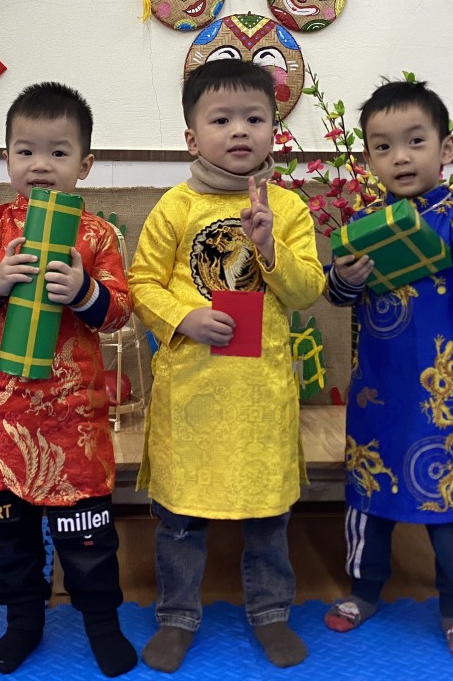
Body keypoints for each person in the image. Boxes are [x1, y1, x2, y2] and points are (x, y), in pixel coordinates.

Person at [128, 58, 325, 673]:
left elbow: (307, 291)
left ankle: (271, 612)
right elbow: (141, 283)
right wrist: (184, 316)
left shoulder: (289, 208)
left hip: (260, 394)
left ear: (273, 130)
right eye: (222, 120)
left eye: (254, 119)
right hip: (191, 392)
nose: (239, 130)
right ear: (192, 137)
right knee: (179, 519)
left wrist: (268, 246)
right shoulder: (175, 207)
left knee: (267, 515)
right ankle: (176, 616)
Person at [0, 82, 137, 677]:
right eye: (26, 151)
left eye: (58, 152)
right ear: (7, 159)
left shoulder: (96, 236)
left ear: (85, 164)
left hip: (73, 421)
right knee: (5, 537)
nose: (40, 164)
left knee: (87, 537)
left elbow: (120, 311)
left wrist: (84, 291)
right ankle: (23, 619)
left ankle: (101, 621)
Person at [322, 78, 453, 660]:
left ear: (446, 148)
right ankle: (364, 590)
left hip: (444, 396)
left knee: (451, 500)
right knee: (368, 492)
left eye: (415, 141)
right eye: (383, 147)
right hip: (377, 393)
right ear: (368, 158)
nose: (400, 157)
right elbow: (337, 295)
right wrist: (344, 278)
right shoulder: (366, 221)